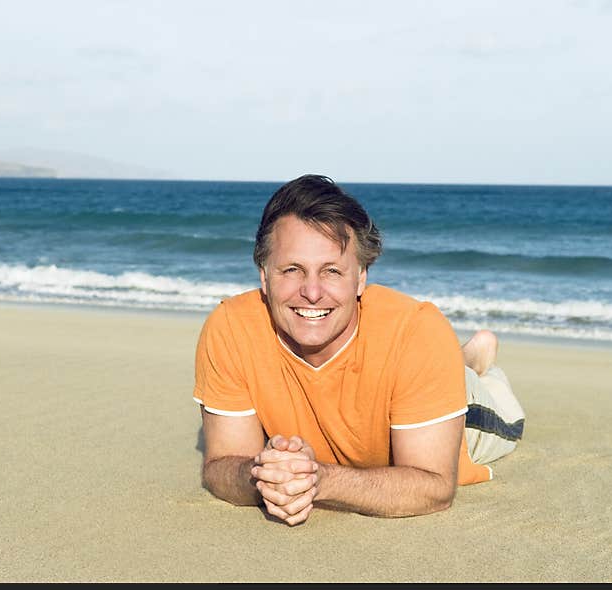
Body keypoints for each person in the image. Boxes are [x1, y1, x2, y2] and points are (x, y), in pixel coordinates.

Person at [193, 174, 524, 525]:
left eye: (332, 271)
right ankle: (459, 358)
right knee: (426, 364)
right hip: (414, 370)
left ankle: (470, 365)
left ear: (361, 277)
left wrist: (318, 480)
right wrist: (261, 475)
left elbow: (434, 487)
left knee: (493, 404)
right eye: (292, 269)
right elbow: (222, 466)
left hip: (469, 411)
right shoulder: (231, 327)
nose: (312, 292)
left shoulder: (417, 331)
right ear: (263, 275)